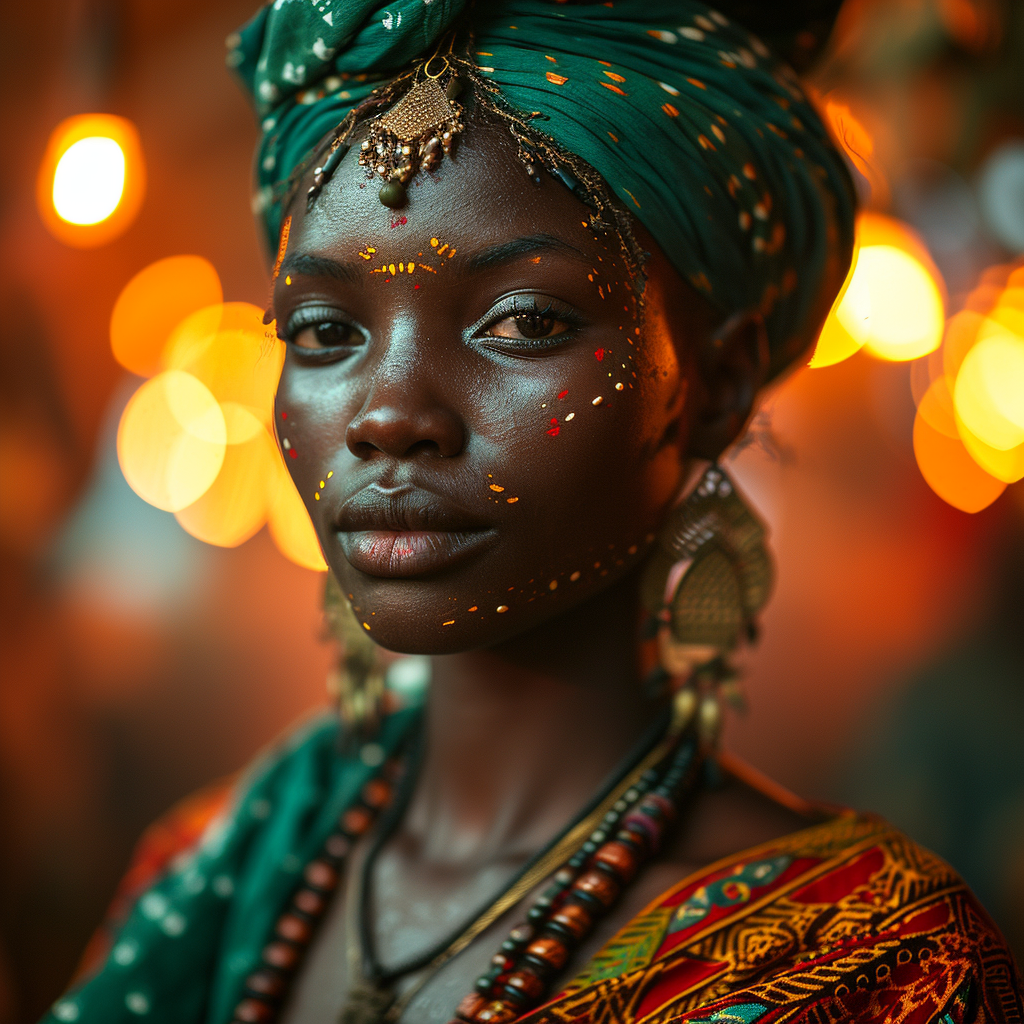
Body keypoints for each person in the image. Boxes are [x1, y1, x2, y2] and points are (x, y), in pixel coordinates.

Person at [42, 2, 1022, 1023]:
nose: (388, 415)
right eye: (326, 330)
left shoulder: (868, 963)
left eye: (521, 320)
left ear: (715, 383)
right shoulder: (209, 868)